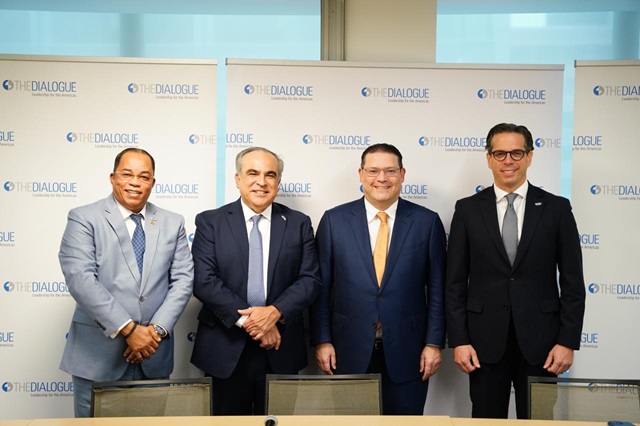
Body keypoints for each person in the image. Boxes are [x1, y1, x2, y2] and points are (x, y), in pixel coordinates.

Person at [445, 123, 586, 419]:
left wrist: (567, 341)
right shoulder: (467, 210)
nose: (508, 160)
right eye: (499, 153)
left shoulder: (557, 209)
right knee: (486, 420)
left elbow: (573, 282)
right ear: (489, 158)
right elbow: (454, 282)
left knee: (538, 420)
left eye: (516, 153)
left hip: (543, 345)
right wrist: (459, 340)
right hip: (483, 343)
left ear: (530, 156)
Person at [310, 143, 447, 415]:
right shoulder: (334, 221)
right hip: (348, 349)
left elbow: (437, 290)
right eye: (373, 171)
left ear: (402, 174)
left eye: (390, 171)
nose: (381, 178)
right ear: (361, 174)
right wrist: (322, 340)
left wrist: (433, 343)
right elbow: (321, 288)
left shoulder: (427, 222)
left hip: (409, 350)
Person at [59, 148, 194, 417]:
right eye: (127, 174)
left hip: (153, 352)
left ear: (152, 182)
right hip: (97, 356)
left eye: (144, 176)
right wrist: (130, 330)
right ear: (113, 178)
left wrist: (154, 332)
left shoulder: (173, 222)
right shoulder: (84, 217)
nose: (135, 182)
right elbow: (81, 278)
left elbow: (183, 279)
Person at [190, 146, 321, 415]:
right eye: (253, 173)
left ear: (278, 182)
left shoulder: (298, 223)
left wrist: (274, 313)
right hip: (224, 347)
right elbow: (204, 280)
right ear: (237, 179)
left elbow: (310, 280)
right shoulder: (210, 222)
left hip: (281, 347)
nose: (261, 182)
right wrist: (255, 323)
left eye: (270, 175)